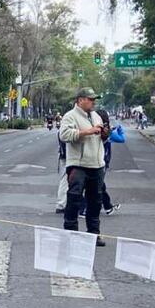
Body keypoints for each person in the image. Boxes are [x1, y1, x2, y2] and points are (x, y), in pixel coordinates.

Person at [59, 88, 107, 247]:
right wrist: (87, 131)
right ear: (80, 100)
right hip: (78, 165)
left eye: (94, 99)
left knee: (95, 201)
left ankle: (94, 233)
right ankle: (70, 232)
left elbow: (101, 139)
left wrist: (105, 133)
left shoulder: (96, 116)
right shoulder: (70, 116)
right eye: (90, 99)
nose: (93, 102)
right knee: (74, 198)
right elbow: (64, 135)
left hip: (97, 164)